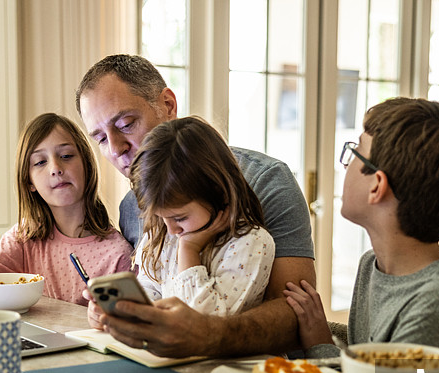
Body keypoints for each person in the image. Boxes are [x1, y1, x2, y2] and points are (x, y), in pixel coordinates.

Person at [75, 54, 315, 357]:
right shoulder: (132, 207)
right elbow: (154, 289)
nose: (115, 148)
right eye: (99, 138)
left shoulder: (267, 182)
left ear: (168, 106)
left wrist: (206, 334)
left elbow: (297, 314)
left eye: (125, 124)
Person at [283, 97, 439, 373]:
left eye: (354, 153)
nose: (345, 165)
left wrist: (320, 345)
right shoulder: (372, 265)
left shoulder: (435, 304)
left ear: (377, 186)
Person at [0, 113, 132, 306]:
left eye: (67, 155)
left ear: (87, 165)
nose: (55, 168)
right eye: (40, 162)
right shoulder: (23, 239)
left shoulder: (117, 255)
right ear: (29, 182)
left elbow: (121, 329)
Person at [131, 116, 275, 316]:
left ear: (219, 193)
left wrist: (189, 250)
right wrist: (123, 311)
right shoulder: (162, 233)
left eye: (180, 218)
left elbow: (205, 324)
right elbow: (149, 290)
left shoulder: (250, 244)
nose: (171, 229)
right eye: (161, 217)